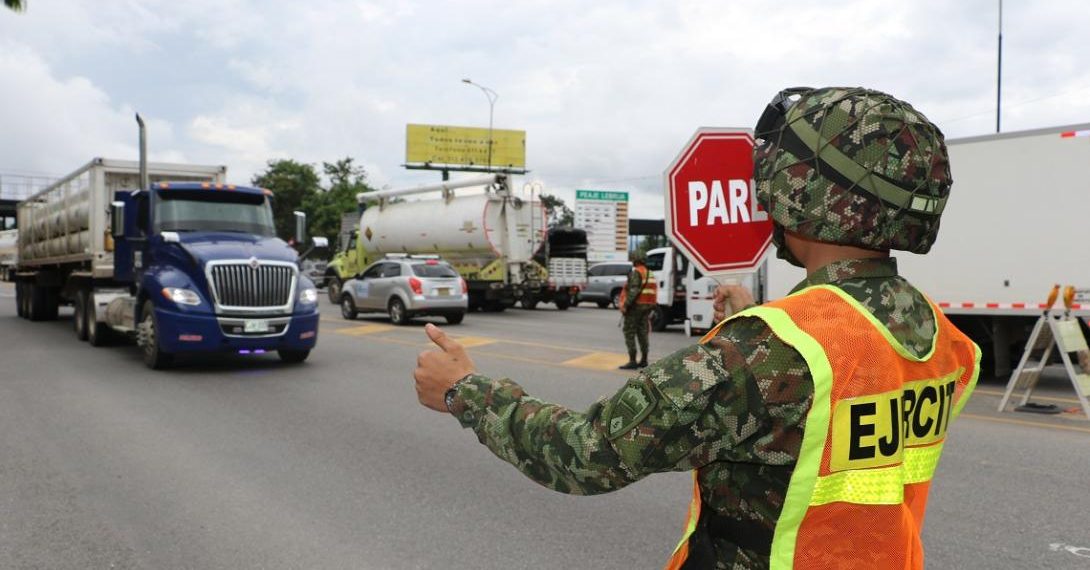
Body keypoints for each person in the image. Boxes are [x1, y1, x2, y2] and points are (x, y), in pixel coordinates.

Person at [413, 87, 980, 569]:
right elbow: (820, 419)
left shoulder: (770, 348)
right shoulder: (941, 338)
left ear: (800, 193)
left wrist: (466, 391)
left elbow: (589, 454)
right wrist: (749, 331)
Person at [618, 253, 657, 369]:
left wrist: (626, 305)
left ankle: (632, 361)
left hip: (636, 307)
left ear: (636, 260)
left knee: (629, 332)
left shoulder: (637, 272)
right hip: (647, 306)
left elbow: (633, 290)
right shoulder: (650, 273)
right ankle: (644, 360)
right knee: (642, 332)